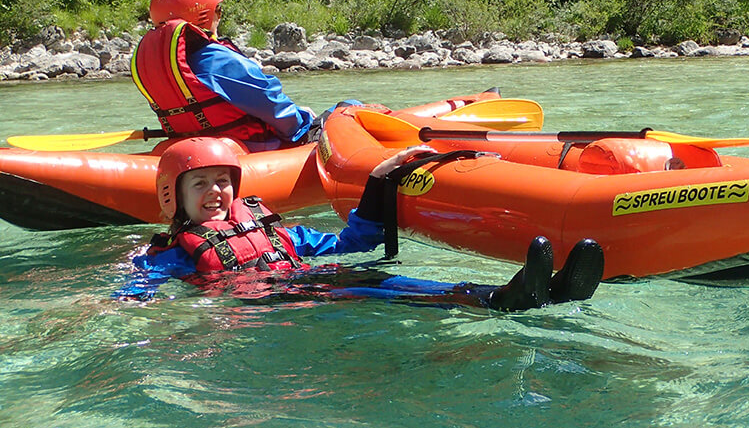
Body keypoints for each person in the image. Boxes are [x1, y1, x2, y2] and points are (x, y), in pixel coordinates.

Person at [118, 137, 605, 310]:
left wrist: (379, 182)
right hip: (279, 304)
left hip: (311, 282)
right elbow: (138, 287)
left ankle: (533, 292)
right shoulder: (173, 252)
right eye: (199, 184)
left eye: (222, 181)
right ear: (174, 196)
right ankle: (502, 298)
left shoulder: (274, 231)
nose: (216, 193)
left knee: (378, 280)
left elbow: (353, 241)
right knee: (377, 290)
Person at [131, 0, 315, 151]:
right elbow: (272, 103)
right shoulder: (215, 59)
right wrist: (302, 119)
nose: (219, 16)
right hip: (248, 148)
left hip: (192, 146)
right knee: (341, 108)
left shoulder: (162, 63)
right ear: (203, 15)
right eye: (218, 10)